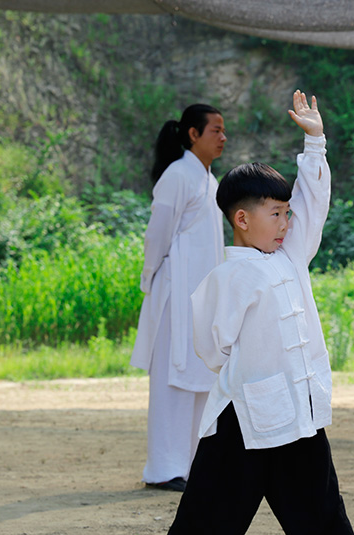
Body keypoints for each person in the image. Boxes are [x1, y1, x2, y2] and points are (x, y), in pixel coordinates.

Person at [163, 91, 354, 535]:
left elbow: (313, 206)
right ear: (241, 218)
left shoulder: (292, 256)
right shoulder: (228, 276)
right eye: (274, 214)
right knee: (202, 530)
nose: (284, 222)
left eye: (285, 212)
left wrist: (315, 144)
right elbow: (213, 350)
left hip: (300, 419)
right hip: (242, 422)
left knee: (327, 527)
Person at [130, 104, 227, 492]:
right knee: (173, 378)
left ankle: (190, 465)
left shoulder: (209, 179)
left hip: (201, 293)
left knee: (199, 376)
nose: (223, 138)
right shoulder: (178, 175)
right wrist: (151, 276)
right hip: (175, 288)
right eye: (215, 131)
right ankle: (164, 468)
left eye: (223, 131)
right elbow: (158, 233)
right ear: (192, 134)